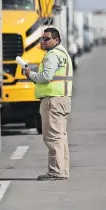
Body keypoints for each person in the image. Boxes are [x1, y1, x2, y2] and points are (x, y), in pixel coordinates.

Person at [24, 27, 73, 181]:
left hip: (53, 101)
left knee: (52, 137)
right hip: (62, 99)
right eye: (42, 39)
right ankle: (62, 170)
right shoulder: (63, 54)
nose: (43, 42)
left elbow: (46, 76)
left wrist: (30, 74)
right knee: (60, 137)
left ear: (56, 40)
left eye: (46, 39)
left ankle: (56, 171)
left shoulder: (52, 55)